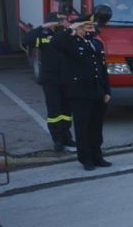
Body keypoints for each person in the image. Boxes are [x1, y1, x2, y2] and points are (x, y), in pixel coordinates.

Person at [54, 14, 112, 170]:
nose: (91, 29)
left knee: (96, 127)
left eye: (92, 26)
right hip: (80, 93)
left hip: (97, 92)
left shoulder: (96, 44)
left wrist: (107, 90)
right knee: (83, 127)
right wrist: (69, 29)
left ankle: (97, 156)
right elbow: (56, 43)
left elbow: (102, 69)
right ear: (79, 27)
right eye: (87, 26)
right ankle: (86, 159)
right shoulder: (70, 43)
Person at [23, 12, 75, 152]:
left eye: (63, 21)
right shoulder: (42, 35)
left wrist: (70, 27)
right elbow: (27, 41)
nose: (61, 23)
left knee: (66, 111)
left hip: (66, 79)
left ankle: (67, 137)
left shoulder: (67, 34)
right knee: (54, 112)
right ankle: (57, 139)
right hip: (50, 80)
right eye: (58, 21)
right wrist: (41, 27)